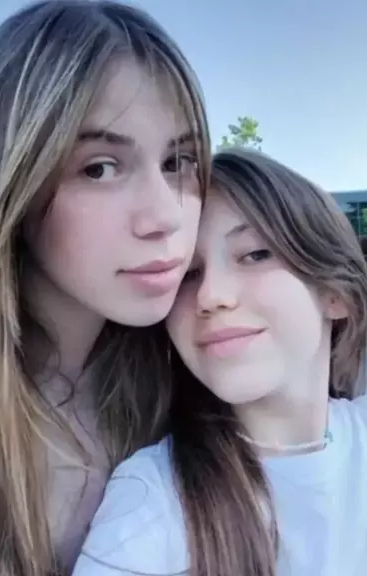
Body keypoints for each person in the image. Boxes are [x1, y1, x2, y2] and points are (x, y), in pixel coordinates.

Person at [0, 1, 210, 575]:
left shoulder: (183, 377)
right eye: (100, 167)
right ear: (9, 181)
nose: (165, 216)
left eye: (177, 161)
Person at [72, 149, 367, 576]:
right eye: (188, 274)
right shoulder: (152, 498)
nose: (211, 296)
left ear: (334, 293)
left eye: (255, 254)